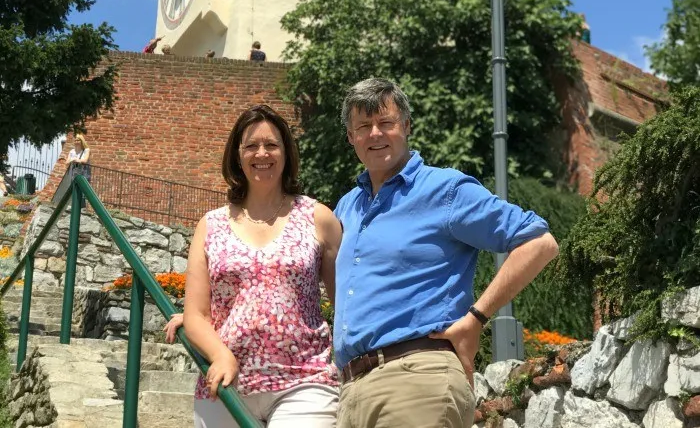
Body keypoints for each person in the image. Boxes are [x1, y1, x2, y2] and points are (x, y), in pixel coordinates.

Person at [333, 78, 559, 428]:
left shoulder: (445, 190)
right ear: (351, 137)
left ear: (407, 126)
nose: (375, 134)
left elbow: (539, 243)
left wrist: (476, 319)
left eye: (386, 123)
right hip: (351, 392)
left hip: (418, 379)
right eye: (363, 126)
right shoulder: (348, 207)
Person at [184, 103, 341, 427]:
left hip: (305, 381)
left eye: (271, 144)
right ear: (237, 156)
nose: (262, 153)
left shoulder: (319, 218)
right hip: (226, 384)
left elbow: (347, 304)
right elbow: (196, 315)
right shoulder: (211, 225)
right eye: (251, 145)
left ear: (286, 153)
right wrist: (220, 354)